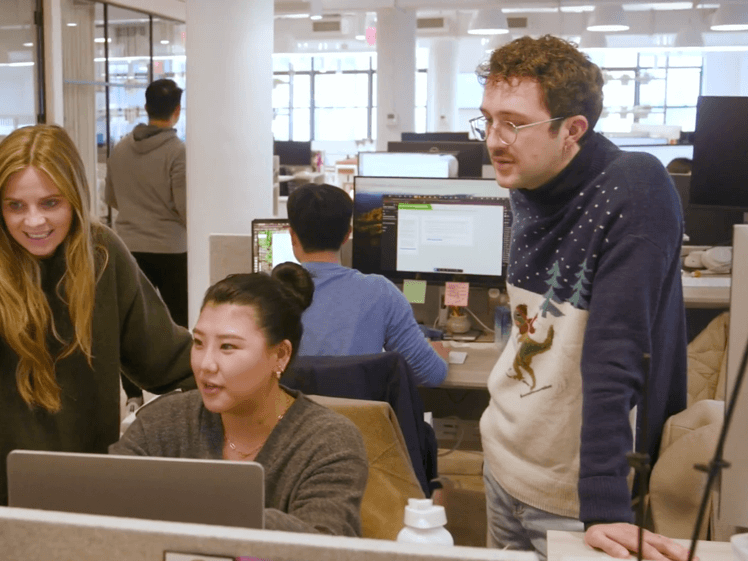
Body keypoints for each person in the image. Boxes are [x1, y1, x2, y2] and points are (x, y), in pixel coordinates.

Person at [471, 35, 689, 561]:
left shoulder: (634, 189)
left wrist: (606, 505)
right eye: (487, 119)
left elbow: (616, 355)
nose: (494, 140)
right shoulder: (527, 182)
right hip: (505, 458)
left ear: (573, 130)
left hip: (576, 493)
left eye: (514, 123)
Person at [0, 124, 193, 506]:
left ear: (75, 199)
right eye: (15, 205)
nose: (34, 221)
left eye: (50, 203)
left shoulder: (101, 254)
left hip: (87, 493)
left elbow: (169, 361)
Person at [110, 264, 369, 536]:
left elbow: (322, 546)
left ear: (280, 355)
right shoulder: (162, 423)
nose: (205, 364)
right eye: (198, 343)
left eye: (227, 346)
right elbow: (103, 500)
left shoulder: (328, 441)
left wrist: (187, 509)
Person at [286, 182, 448, 388]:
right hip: (359, 420)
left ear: (292, 235)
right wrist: (439, 354)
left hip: (289, 419)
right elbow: (431, 375)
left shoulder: (265, 297)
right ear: (347, 235)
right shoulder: (381, 293)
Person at [104, 78, 188, 406]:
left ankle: (133, 396)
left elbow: (110, 197)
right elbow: (184, 208)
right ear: (177, 112)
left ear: (146, 107)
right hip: (171, 248)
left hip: (129, 246)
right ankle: (178, 395)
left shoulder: (121, 147)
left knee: (130, 323)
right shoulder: (177, 151)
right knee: (175, 323)